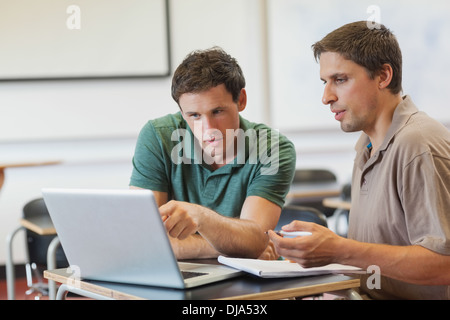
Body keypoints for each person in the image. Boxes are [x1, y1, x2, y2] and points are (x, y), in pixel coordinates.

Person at [268, 21, 450, 299]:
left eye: (340, 80)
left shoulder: (418, 144)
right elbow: (372, 259)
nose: (326, 97)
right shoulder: (364, 146)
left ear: (383, 76)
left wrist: (339, 249)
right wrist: (316, 255)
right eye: (325, 82)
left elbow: (443, 264)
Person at [130, 47, 296, 260]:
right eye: (194, 115)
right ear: (181, 112)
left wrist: (201, 217)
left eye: (217, 111)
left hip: (249, 280)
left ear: (241, 100)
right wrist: (230, 248)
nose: (209, 128)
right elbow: (143, 239)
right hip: (181, 275)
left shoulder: (272, 147)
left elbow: (254, 239)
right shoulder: (158, 136)